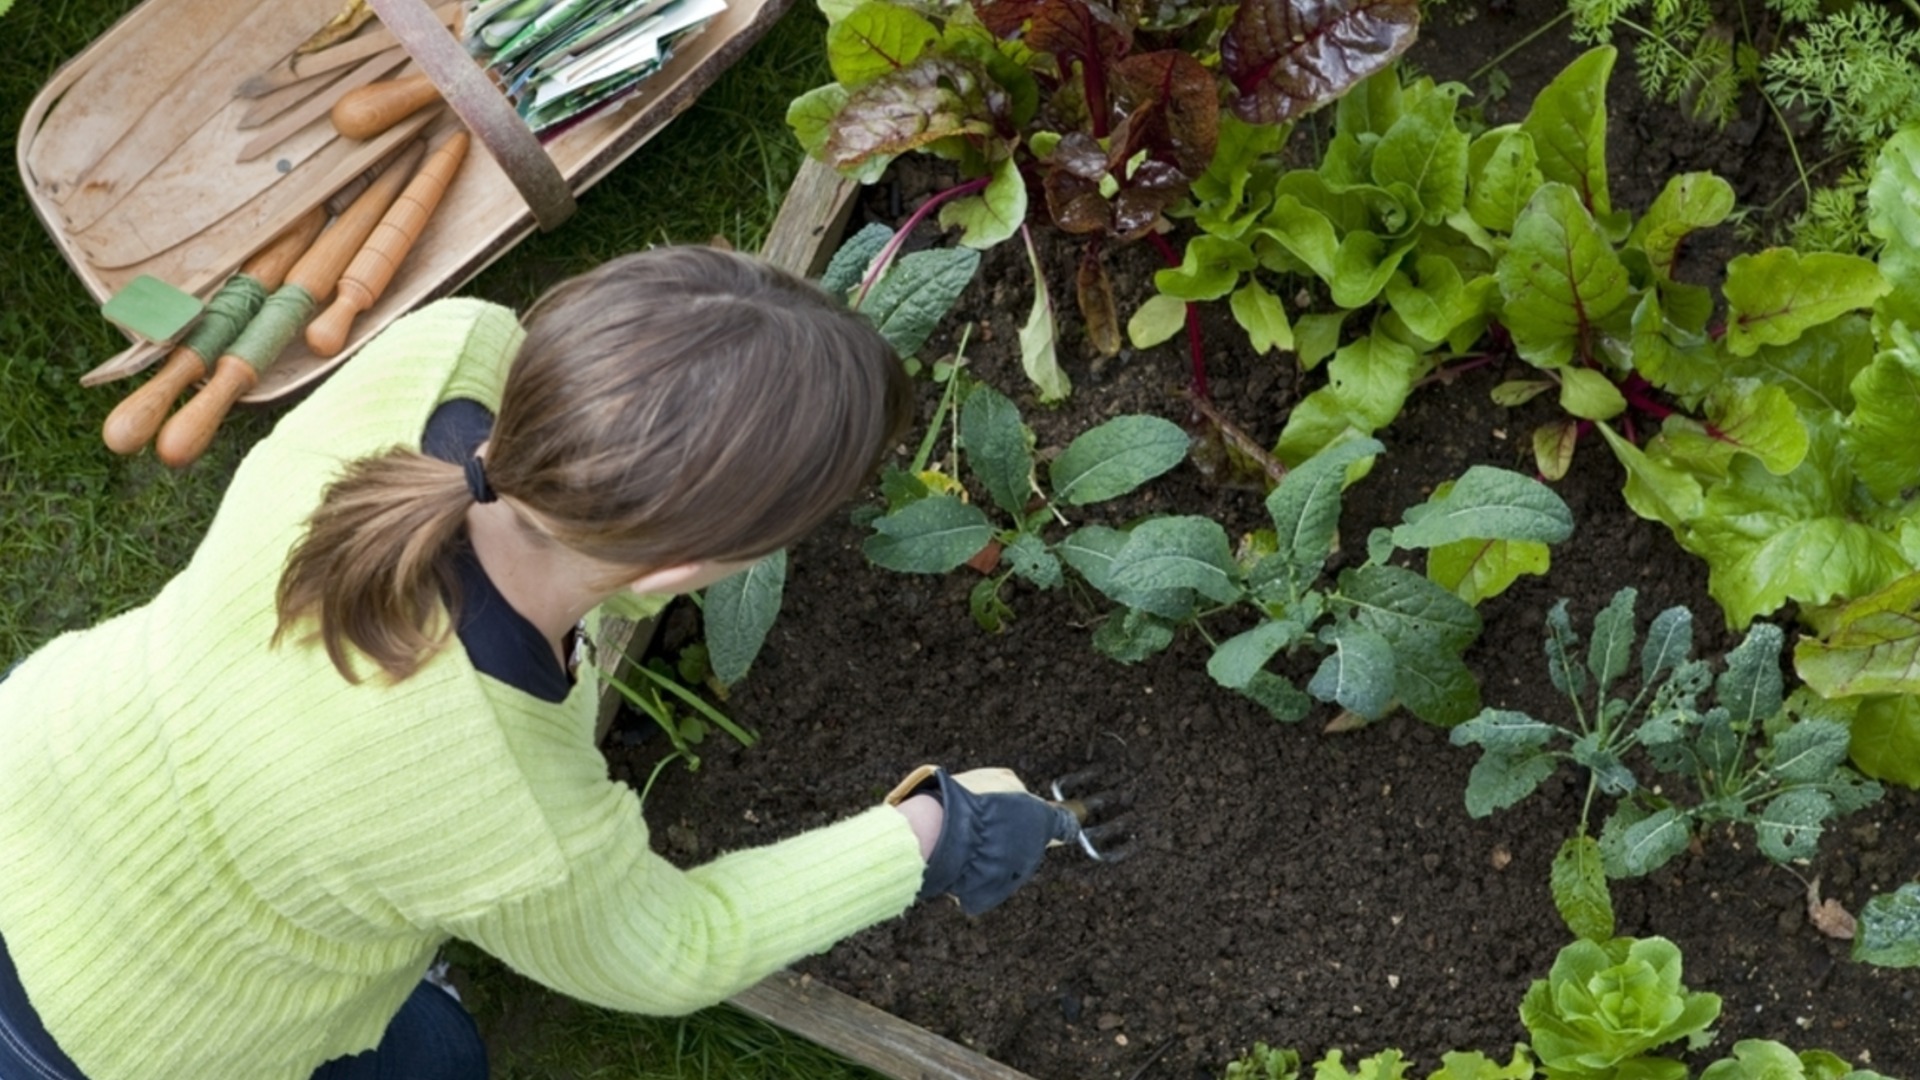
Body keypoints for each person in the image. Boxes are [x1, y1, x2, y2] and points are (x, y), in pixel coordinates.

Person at [0, 246, 1080, 1080]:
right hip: (122, 1025)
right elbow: (676, 949)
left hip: (42, 760)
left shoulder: (447, 351)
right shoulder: (504, 803)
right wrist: (933, 833)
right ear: (686, 570)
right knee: (437, 1064)